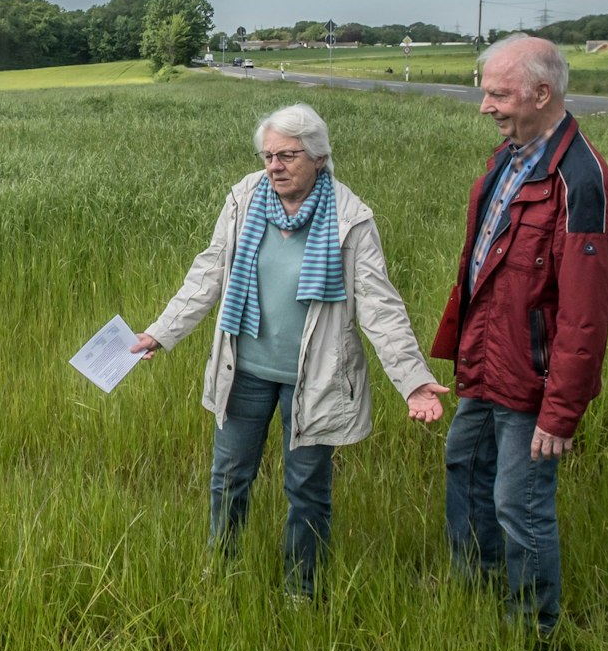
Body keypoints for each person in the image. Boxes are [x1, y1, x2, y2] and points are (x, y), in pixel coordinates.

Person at [132, 103, 448, 600]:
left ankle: (301, 591)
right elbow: (208, 273)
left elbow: (380, 306)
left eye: (287, 156)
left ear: (318, 157)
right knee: (228, 478)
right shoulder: (245, 199)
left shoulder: (349, 218)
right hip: (245, 371)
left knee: (306, 490)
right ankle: (222, 574)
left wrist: (413, 381)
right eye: (268, 156)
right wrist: (160, 332)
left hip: (316, 378)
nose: (274, 166)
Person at [428, 35, 608, 635]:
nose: (485, 105)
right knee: (465, 470)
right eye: (485, 92)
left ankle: (533, 630)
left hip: (531, 380)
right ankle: (473, 591)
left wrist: (560, 413)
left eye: (499, 94)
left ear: (541, 93)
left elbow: (585, 314)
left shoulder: (580, 182)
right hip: (487, 362)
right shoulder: (507, 161)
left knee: (520, 502)